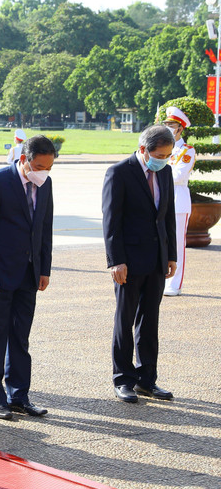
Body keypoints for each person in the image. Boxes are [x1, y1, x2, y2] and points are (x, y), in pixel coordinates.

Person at [0, 135, 55, 420]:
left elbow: (45, 228)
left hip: (29, 274)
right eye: (39, 165)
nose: (43, 171)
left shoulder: (45, 184)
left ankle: (19, 395)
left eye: (49, 166)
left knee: (20, 337)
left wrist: (44, 268)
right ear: (23, 160)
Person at [102, 125, 177, 403]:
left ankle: (147, 379)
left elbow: (167, 216)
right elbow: (111, 221)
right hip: (128, 262)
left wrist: (171, 256)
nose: (164, 160)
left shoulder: (165, 172)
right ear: (144, 150)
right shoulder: (119, 173)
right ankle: (123, 379)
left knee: (150, 320)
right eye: (159, 154)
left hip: (157, 259)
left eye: (168, 155)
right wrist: (116, 260)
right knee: (125, 320)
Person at [162, 107, 195, 296]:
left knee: (177, 245)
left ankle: (175, 284)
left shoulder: (186, 151)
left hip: (178, 202)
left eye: (171, 125)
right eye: (165, 124)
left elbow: (178, 175)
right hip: (162, 200)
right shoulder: (161, 146)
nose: (167, 128)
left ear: (180, 129)